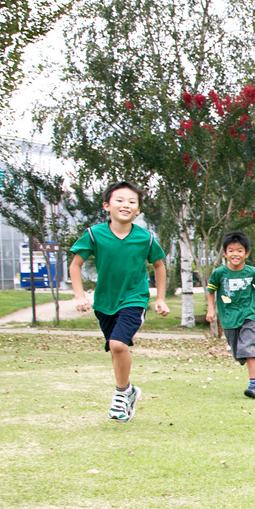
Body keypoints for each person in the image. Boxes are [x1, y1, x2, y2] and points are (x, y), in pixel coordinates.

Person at [68, 181, 168, 422]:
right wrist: (80, 295)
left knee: (118, 345)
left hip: (134, 298)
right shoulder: (94, 234)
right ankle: (130, 391)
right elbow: (75, 265)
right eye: (120, 200)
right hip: (104, 302)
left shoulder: (146, 238)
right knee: (115, 349)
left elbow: (159, 266)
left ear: (138, 211)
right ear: (106, 205)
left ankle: (121, 395)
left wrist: (160, 298)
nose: (126, 205)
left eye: (132, 202)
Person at [205, 231, 255, 398]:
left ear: (246, 253)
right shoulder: (219, 273)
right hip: (228, 318)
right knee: (239, 354)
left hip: (247, 315)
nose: (235, 254)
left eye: (239, 250)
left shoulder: (251, 272)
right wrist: (211, 309)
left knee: (248, 348)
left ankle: (253, 385)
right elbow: (211, 291)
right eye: (231, 250)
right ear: (225, 253)